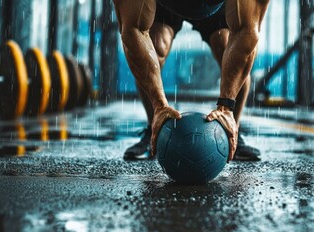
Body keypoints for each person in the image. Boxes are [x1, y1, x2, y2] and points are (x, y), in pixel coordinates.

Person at [113, 0, 269, 161]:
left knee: (227, 48)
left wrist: (226, 107)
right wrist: (159, 105)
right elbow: (132, 30)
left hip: (219, 8)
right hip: (163, 6)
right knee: (155, 47)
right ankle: (154, 127)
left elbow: (247, 32)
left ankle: (233, 129)